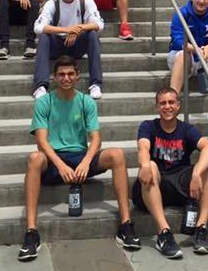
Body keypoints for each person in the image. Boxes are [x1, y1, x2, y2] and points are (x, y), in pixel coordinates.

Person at [18, 56, 140, 261]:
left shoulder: (86, 101)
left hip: (81, 157)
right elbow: (41, 141)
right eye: (61, 74)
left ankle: (125, 225)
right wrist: (60, 164)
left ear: (77, 76)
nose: (66, 78)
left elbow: (96, 139)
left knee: (117, 155)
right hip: (54, 160)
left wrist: (85, 162)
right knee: (34, 158)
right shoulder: (44, 102)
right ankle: (31, 232)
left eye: (70, 74)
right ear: (54, 77)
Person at [133, 87, 208, 258]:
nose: (167, 106)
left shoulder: (186, 129)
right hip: (156, 183)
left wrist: (197, 173)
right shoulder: (148, 126)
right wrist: (144, 164)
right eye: (162, 103)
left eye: (171, 102)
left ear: (178, 106)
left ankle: (201, 229)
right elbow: (143, 147)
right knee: (150, 164)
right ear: (157, 107)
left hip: (180, 181)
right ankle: (164, 233)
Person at [33, 0, 104, 100]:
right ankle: (41, 86)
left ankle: (95, 84)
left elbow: (99, 24)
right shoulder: (52, 3)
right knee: (44, 36)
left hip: (77, 46)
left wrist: (78, 29)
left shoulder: (86, 1)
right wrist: (66, 30)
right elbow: (38, 27)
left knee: (93, 34)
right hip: (58, 45)